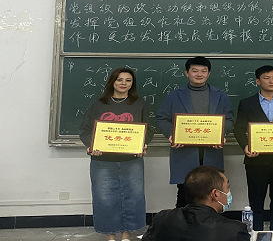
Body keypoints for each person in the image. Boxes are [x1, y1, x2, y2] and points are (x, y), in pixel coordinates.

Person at [79, 67, 153, 241]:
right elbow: (85, 130)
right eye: (120, 80)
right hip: (102, 160)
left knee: (133, 197)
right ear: (112, 81)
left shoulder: (139, 104)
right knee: (104, 198)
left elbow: (147, 131)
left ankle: (127, 234)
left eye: (128, 80)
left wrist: (142, 144)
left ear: (132, 84)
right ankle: (110, 235)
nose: (123, 83)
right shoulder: (99, 104)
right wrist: (92, 145)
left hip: (131, 160)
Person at [156, 56, 234, 208]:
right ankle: (183, 223)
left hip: (211, 152)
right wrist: (171, 135)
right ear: (187, 73)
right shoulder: (175, 95)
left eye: (203, 71)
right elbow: (161, 118)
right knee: (185, 194)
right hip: (184, 153)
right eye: (195, 71)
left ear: (209, 73)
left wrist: (221, 135)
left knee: (212, 194)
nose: (199, 74)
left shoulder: (220, 95)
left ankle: (208, 222)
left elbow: (230, 119)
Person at [233, 65, 273, 231]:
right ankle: (256, 232)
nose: (271, 81)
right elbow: (238, 129)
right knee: (256, 202)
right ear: (258, 81)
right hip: (256, 160)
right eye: (267, 78)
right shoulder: (247, 103)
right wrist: (245, 146)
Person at [142, 165, 250, 241]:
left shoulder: (162, 219)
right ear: (215, 194)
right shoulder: (234, 231)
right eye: (227, 187)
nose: (228, 192)